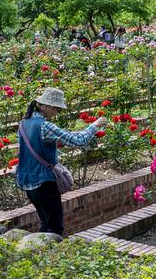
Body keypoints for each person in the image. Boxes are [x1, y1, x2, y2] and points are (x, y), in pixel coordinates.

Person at [16, 88, 108, 235]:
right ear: (45, 106)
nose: (57, 112)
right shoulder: (45, 126)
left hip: (28, 182)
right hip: (44, 182)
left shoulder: (23, 125)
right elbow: (78, 141)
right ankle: (49, 255)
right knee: (54, 228)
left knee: (46, 223)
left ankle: (40, 253)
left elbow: (32, 148)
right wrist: (94, 126)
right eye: (57, 109)